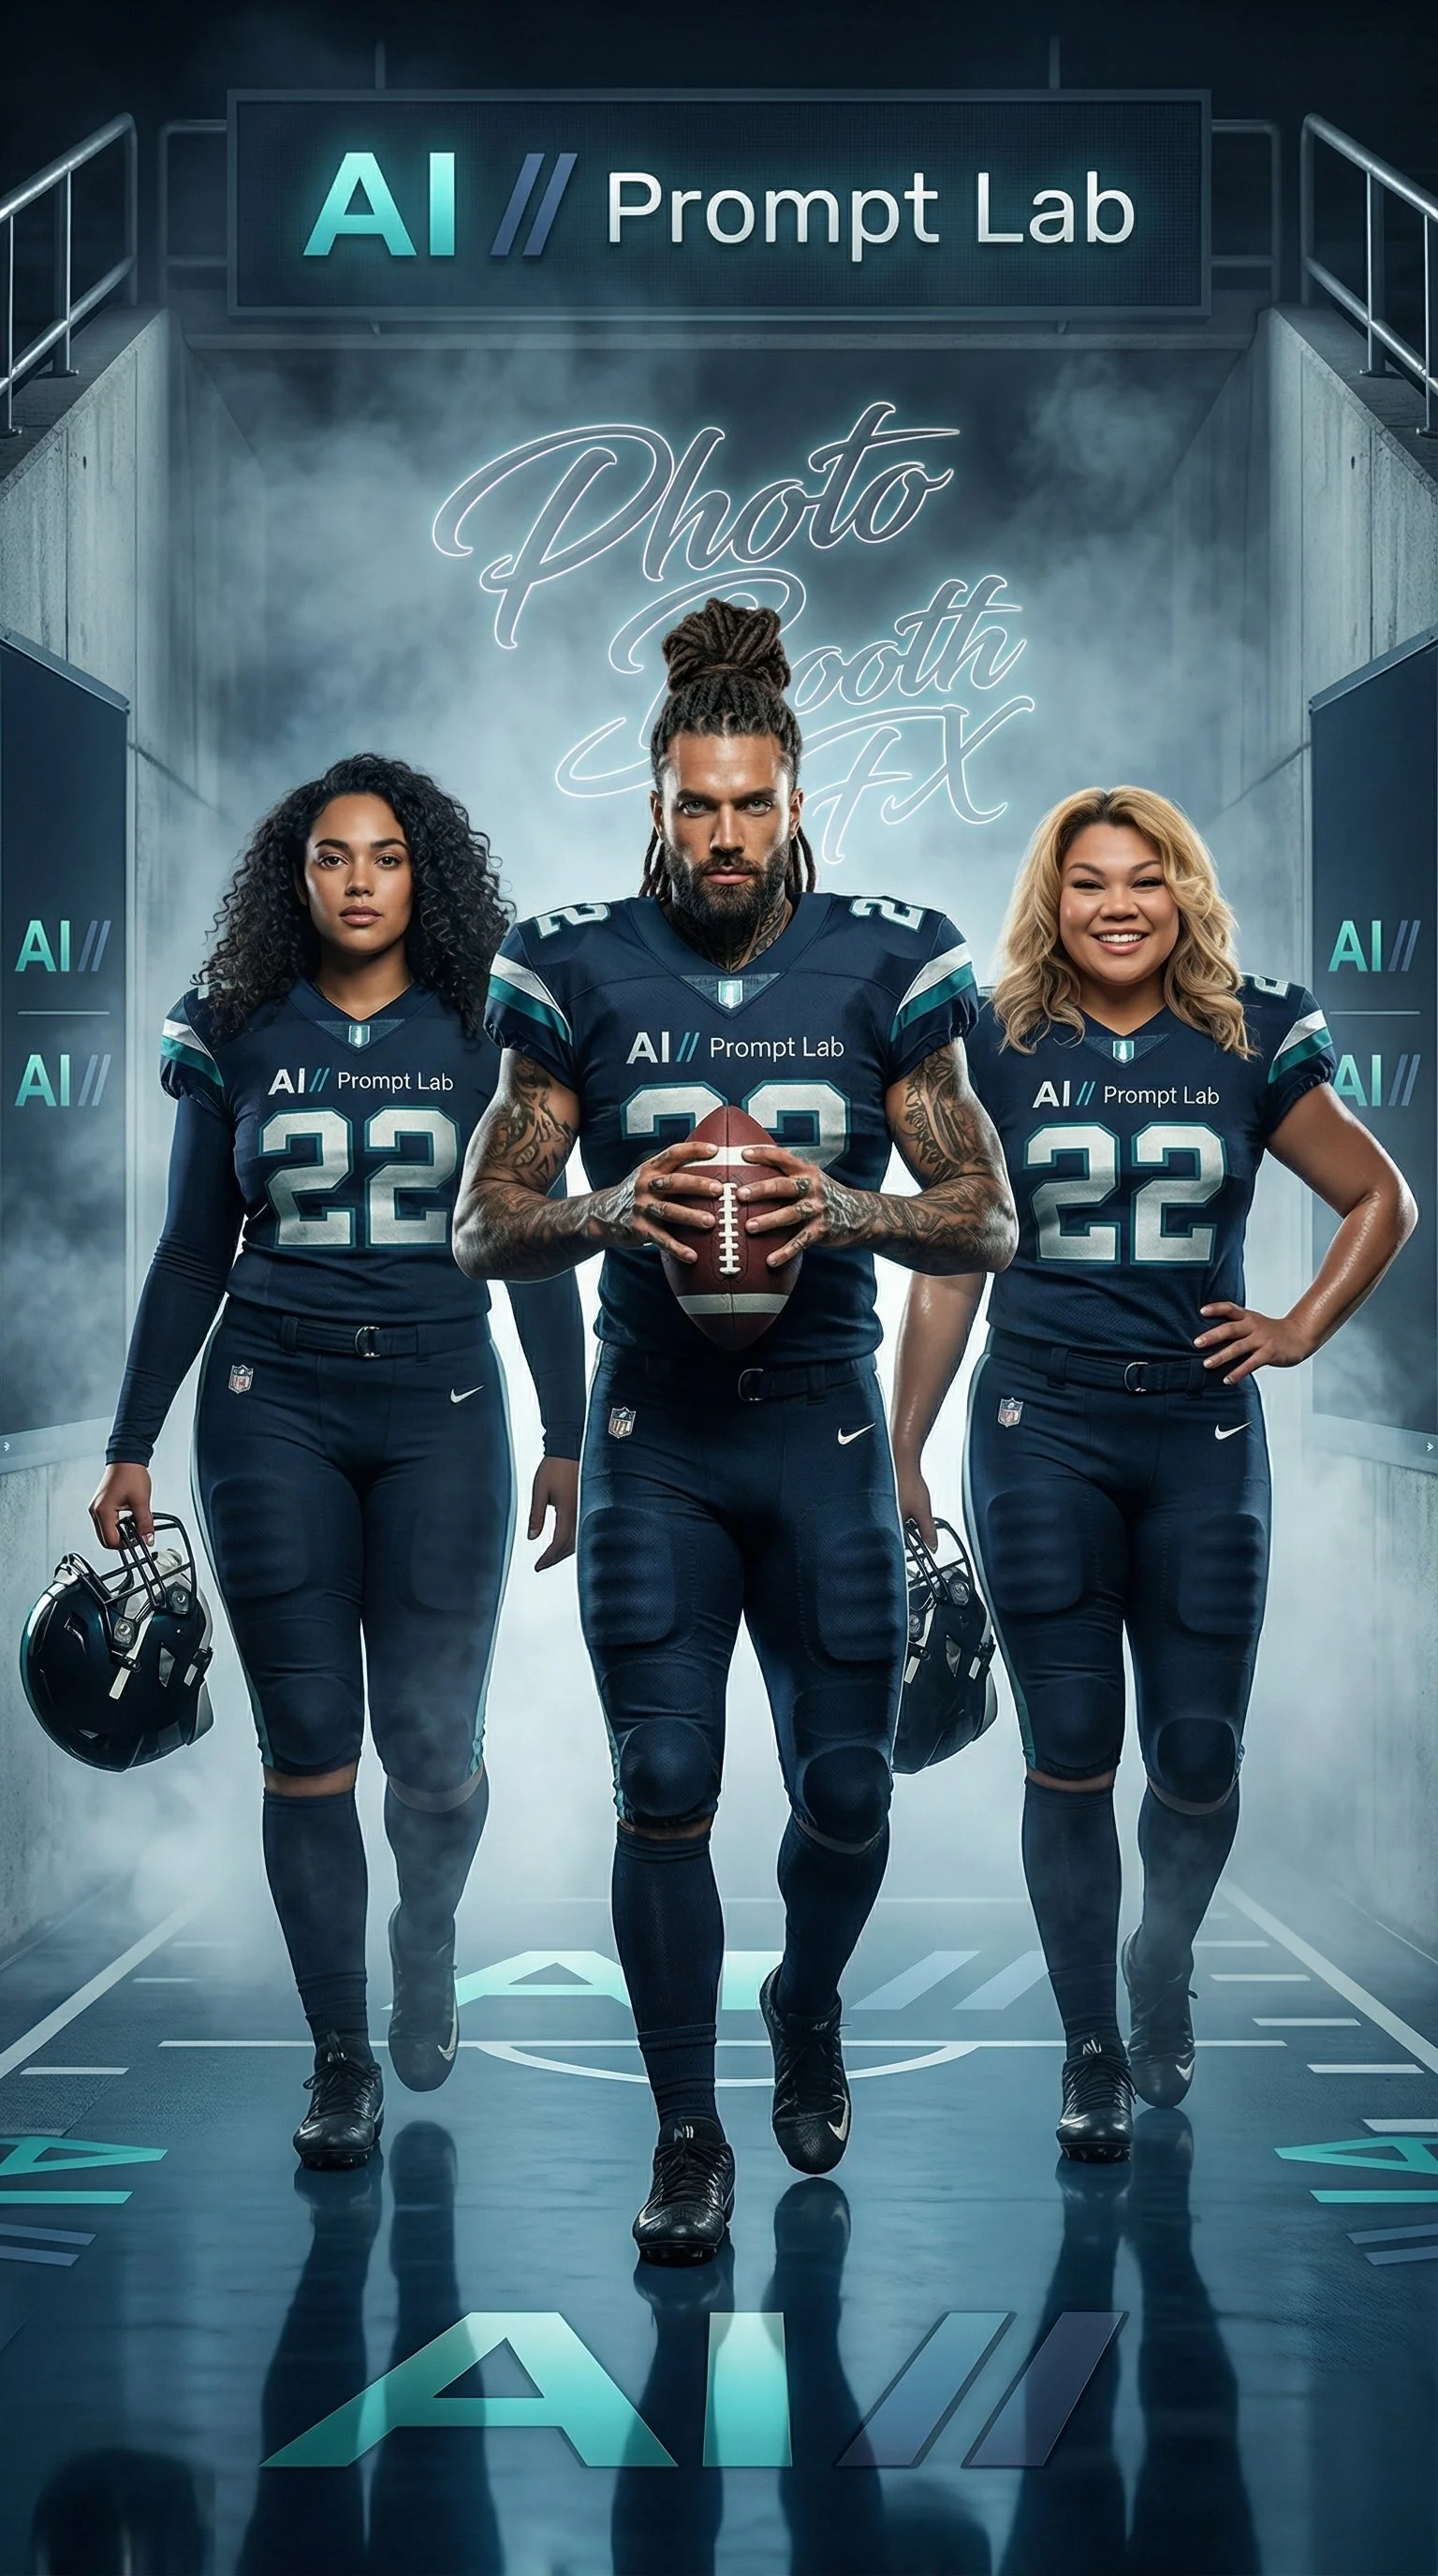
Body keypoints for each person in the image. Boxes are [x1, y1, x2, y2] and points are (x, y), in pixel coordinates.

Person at [454, 597, 1016, 2261]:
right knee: (668, 1779)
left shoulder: (885, 956)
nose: (720, 835)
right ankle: (686, 2135)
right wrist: (608, 1203)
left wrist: (845, 1206)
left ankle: (811, 2000)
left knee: (849, 1794)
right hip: (661, 1440)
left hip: (826, 1434)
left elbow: (987, 1213)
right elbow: (485, 1222)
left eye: (748, 804)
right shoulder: (571, 964)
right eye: (693, 805)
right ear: (654, 800)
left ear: (794, 795)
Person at [891, 784, 1415, 2160]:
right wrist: (903, 1446)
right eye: (1088, 882)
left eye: (1144, 878)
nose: (1116, 904)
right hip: (1039, 1433)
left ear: (1182, 890)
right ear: (1049, 900)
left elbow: (1381, 1195)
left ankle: (1161, 1959)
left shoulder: (1245, 1031)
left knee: (1196, 1755)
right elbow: (953, 1261)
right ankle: (1087, 2049)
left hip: (1200, 1434)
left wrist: (1300, 1324)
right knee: (1071, 1755)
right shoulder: (993, 1042)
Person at [90, 754, 585, 2170]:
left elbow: (530, 1242)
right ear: (293, 878)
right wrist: (131, 1439)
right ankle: (339, 2057)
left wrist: (566, 1430)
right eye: (330, 857)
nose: (358, 881)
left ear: (423, 873)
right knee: (308, 1752)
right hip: (272, 1407)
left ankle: (423, 1934)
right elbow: (196, 1246)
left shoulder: (490, 1031)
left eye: (383, 856)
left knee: (430, 1753)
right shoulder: (238, 1026)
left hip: (441, 1409)